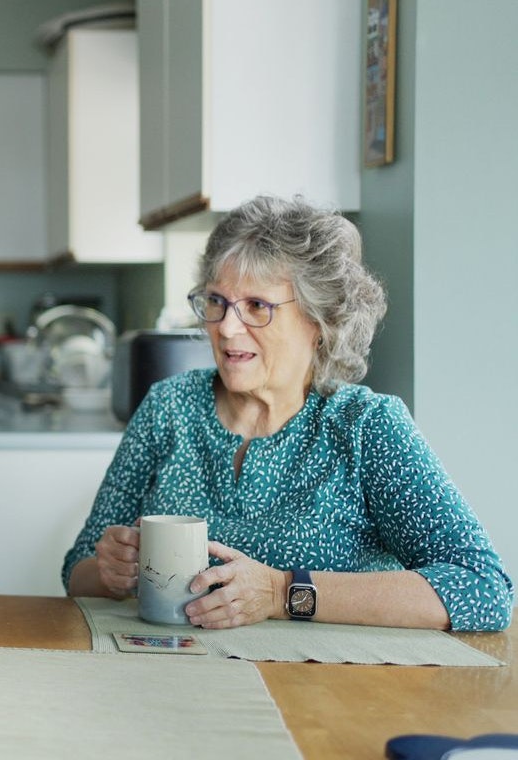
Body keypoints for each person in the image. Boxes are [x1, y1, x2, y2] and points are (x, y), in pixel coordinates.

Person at [62, 194, 513, 632]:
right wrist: (108, 572)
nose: (226, 327)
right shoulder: (169, 407)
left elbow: (482, 589)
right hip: (179, 678)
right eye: (216, 301)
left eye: (257, 306)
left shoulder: (366, 427)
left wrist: (282, 593)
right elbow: (76, 570)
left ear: (320, 321)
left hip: (330, 691)